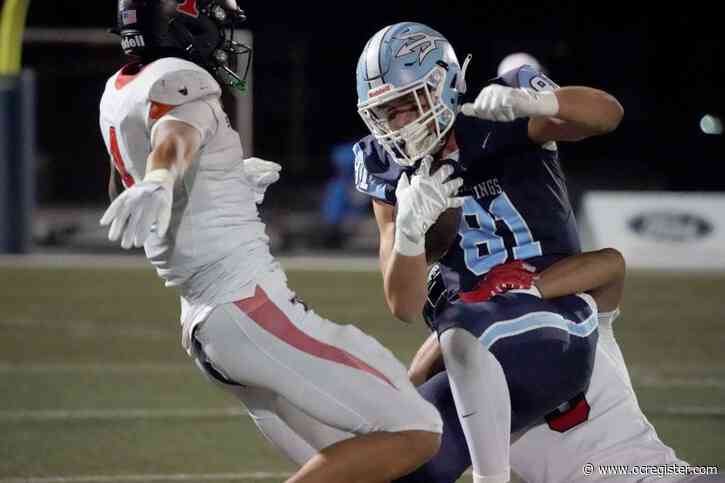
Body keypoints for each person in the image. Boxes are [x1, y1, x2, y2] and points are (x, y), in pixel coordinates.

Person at [98, 3, 443, 483]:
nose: (221, 34)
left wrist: (223, 184)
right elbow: (173, 139)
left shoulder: (118, 91)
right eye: (209, 19)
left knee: (363, 464)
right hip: (246, 307)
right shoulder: (179, 78)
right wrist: (160, 178)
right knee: (418, 428)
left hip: (210, 324)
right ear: (174, 23)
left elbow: (128, 183)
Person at [352, 21, 639, 483]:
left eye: (408, 103)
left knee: (466, 323)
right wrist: (408, 233)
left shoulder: (496, 112)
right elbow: (403, 305)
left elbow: (608, 114)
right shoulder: (382, 164)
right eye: (386, 112)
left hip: (550, 319)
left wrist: (542, 100)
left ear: (444, 85)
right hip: (473, 345)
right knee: (394, 461)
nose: (399, 123)